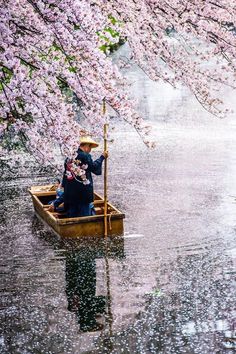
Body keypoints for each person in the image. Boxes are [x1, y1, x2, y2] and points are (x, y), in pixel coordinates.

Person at [63, 136, 108, 218]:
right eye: (90, 146)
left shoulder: (69, 156)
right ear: (85, 146)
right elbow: (94, 167)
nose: (90, 149)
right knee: (85, 216)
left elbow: (65, 174)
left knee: (72, 215)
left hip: (70, 192)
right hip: (83, 193)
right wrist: (102, 157)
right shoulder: (85, 156)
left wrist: (64, 186)